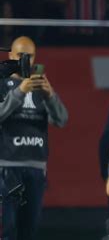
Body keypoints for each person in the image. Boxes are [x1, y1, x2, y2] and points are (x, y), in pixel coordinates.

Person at [0, 36, 68, 239]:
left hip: (36, 166)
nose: (25, 60)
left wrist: (50, 95)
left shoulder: (41, 87)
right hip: (7, 166)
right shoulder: (3, 84)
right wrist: (19, 92)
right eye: (20, 55)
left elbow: (61, 119)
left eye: (29, 56)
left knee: (29, 228)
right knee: (7, 228)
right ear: (11, 56)